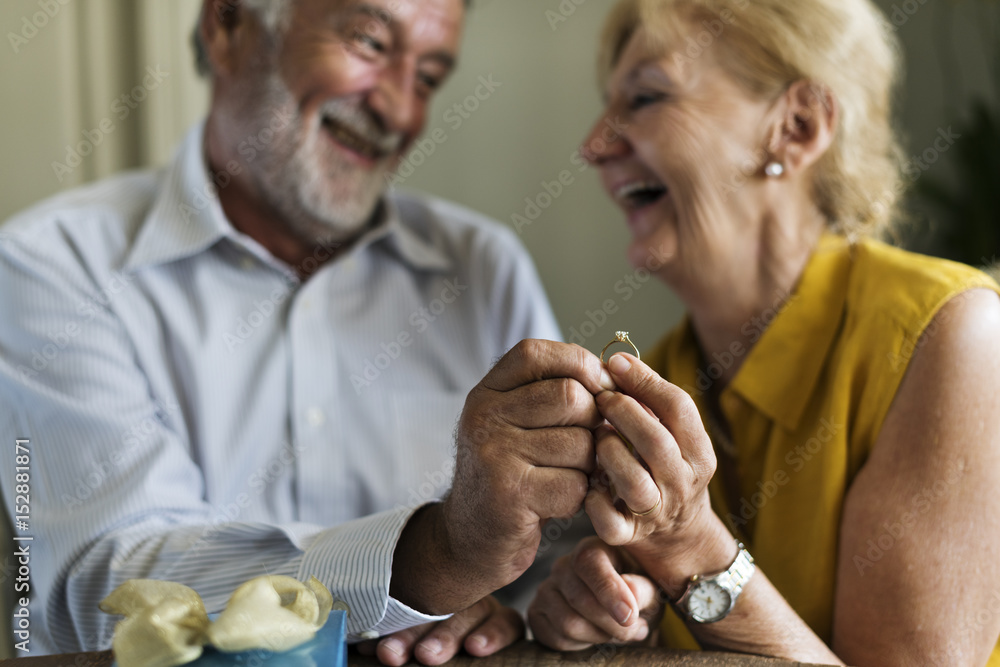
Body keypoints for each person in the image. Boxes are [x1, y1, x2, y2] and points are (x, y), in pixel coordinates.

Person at [0, 0, 606, 663]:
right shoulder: (49, 267)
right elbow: (105, 588)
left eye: (429, 77)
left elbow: (557, 557)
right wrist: (430, 561)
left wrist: (582, 595)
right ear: (228, 27)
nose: (401, 112)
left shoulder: (483, 268)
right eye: (371, 43)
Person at [527, 0, 1000, 665]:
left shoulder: (952, 337)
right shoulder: (663, 374)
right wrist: (605, 619)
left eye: (647, 96)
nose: (595, 145)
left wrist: (691, 548)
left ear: (797, 128)